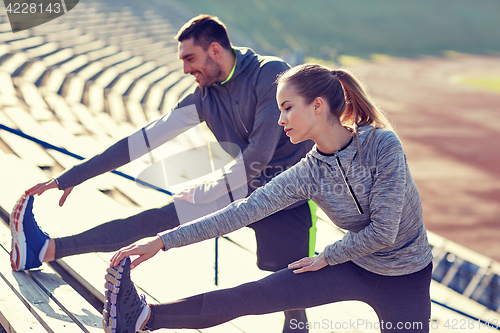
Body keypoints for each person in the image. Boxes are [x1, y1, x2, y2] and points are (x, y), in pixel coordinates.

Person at [16, 15, 315, 332]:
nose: (185, 69)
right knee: (153, 220)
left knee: (290, 293)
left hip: (287, 196)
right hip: (238, 188)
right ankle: (43, 249)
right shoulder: (205, 96)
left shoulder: (270, 74)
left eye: (190, 58)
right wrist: (72, 176)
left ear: (215, 50)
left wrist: (205, 192)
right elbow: (143, 140)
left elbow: (258, 155)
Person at [103, 63, 434, 333]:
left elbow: (385, 231)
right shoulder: (308, 173)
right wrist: (162, 241)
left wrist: (328, 256)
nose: (280, 120)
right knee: (253, 296)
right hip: (353, 265)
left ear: (317, 105)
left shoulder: (382, 145)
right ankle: (144, 317)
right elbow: (242, 211)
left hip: (406, 278)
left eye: (288, 108)